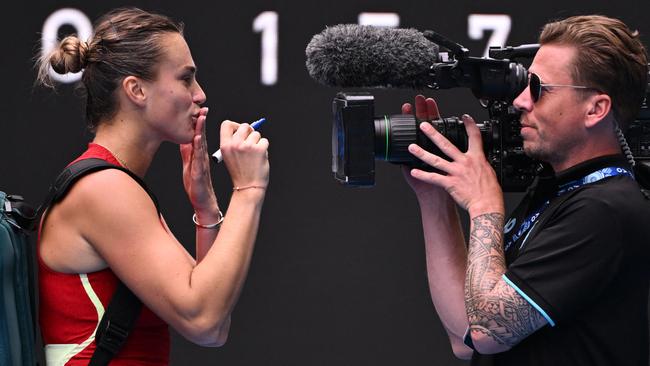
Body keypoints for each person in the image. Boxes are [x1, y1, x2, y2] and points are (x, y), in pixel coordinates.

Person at [403, 15, 650, 365]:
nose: (520, 101)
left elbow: (489, 330)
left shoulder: (604, 209)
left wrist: (484, 206)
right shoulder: (558, 191)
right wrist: (434, 197)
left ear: (596, 109)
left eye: (537, 87)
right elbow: (466, 336)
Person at [35, 7, 269, 364]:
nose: (200, 94)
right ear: (137, 90)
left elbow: (214, 327)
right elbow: (203, 320)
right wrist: (248, 190)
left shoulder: (115, 184)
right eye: (186, 78)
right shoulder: (105, 189)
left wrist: (206, 209)